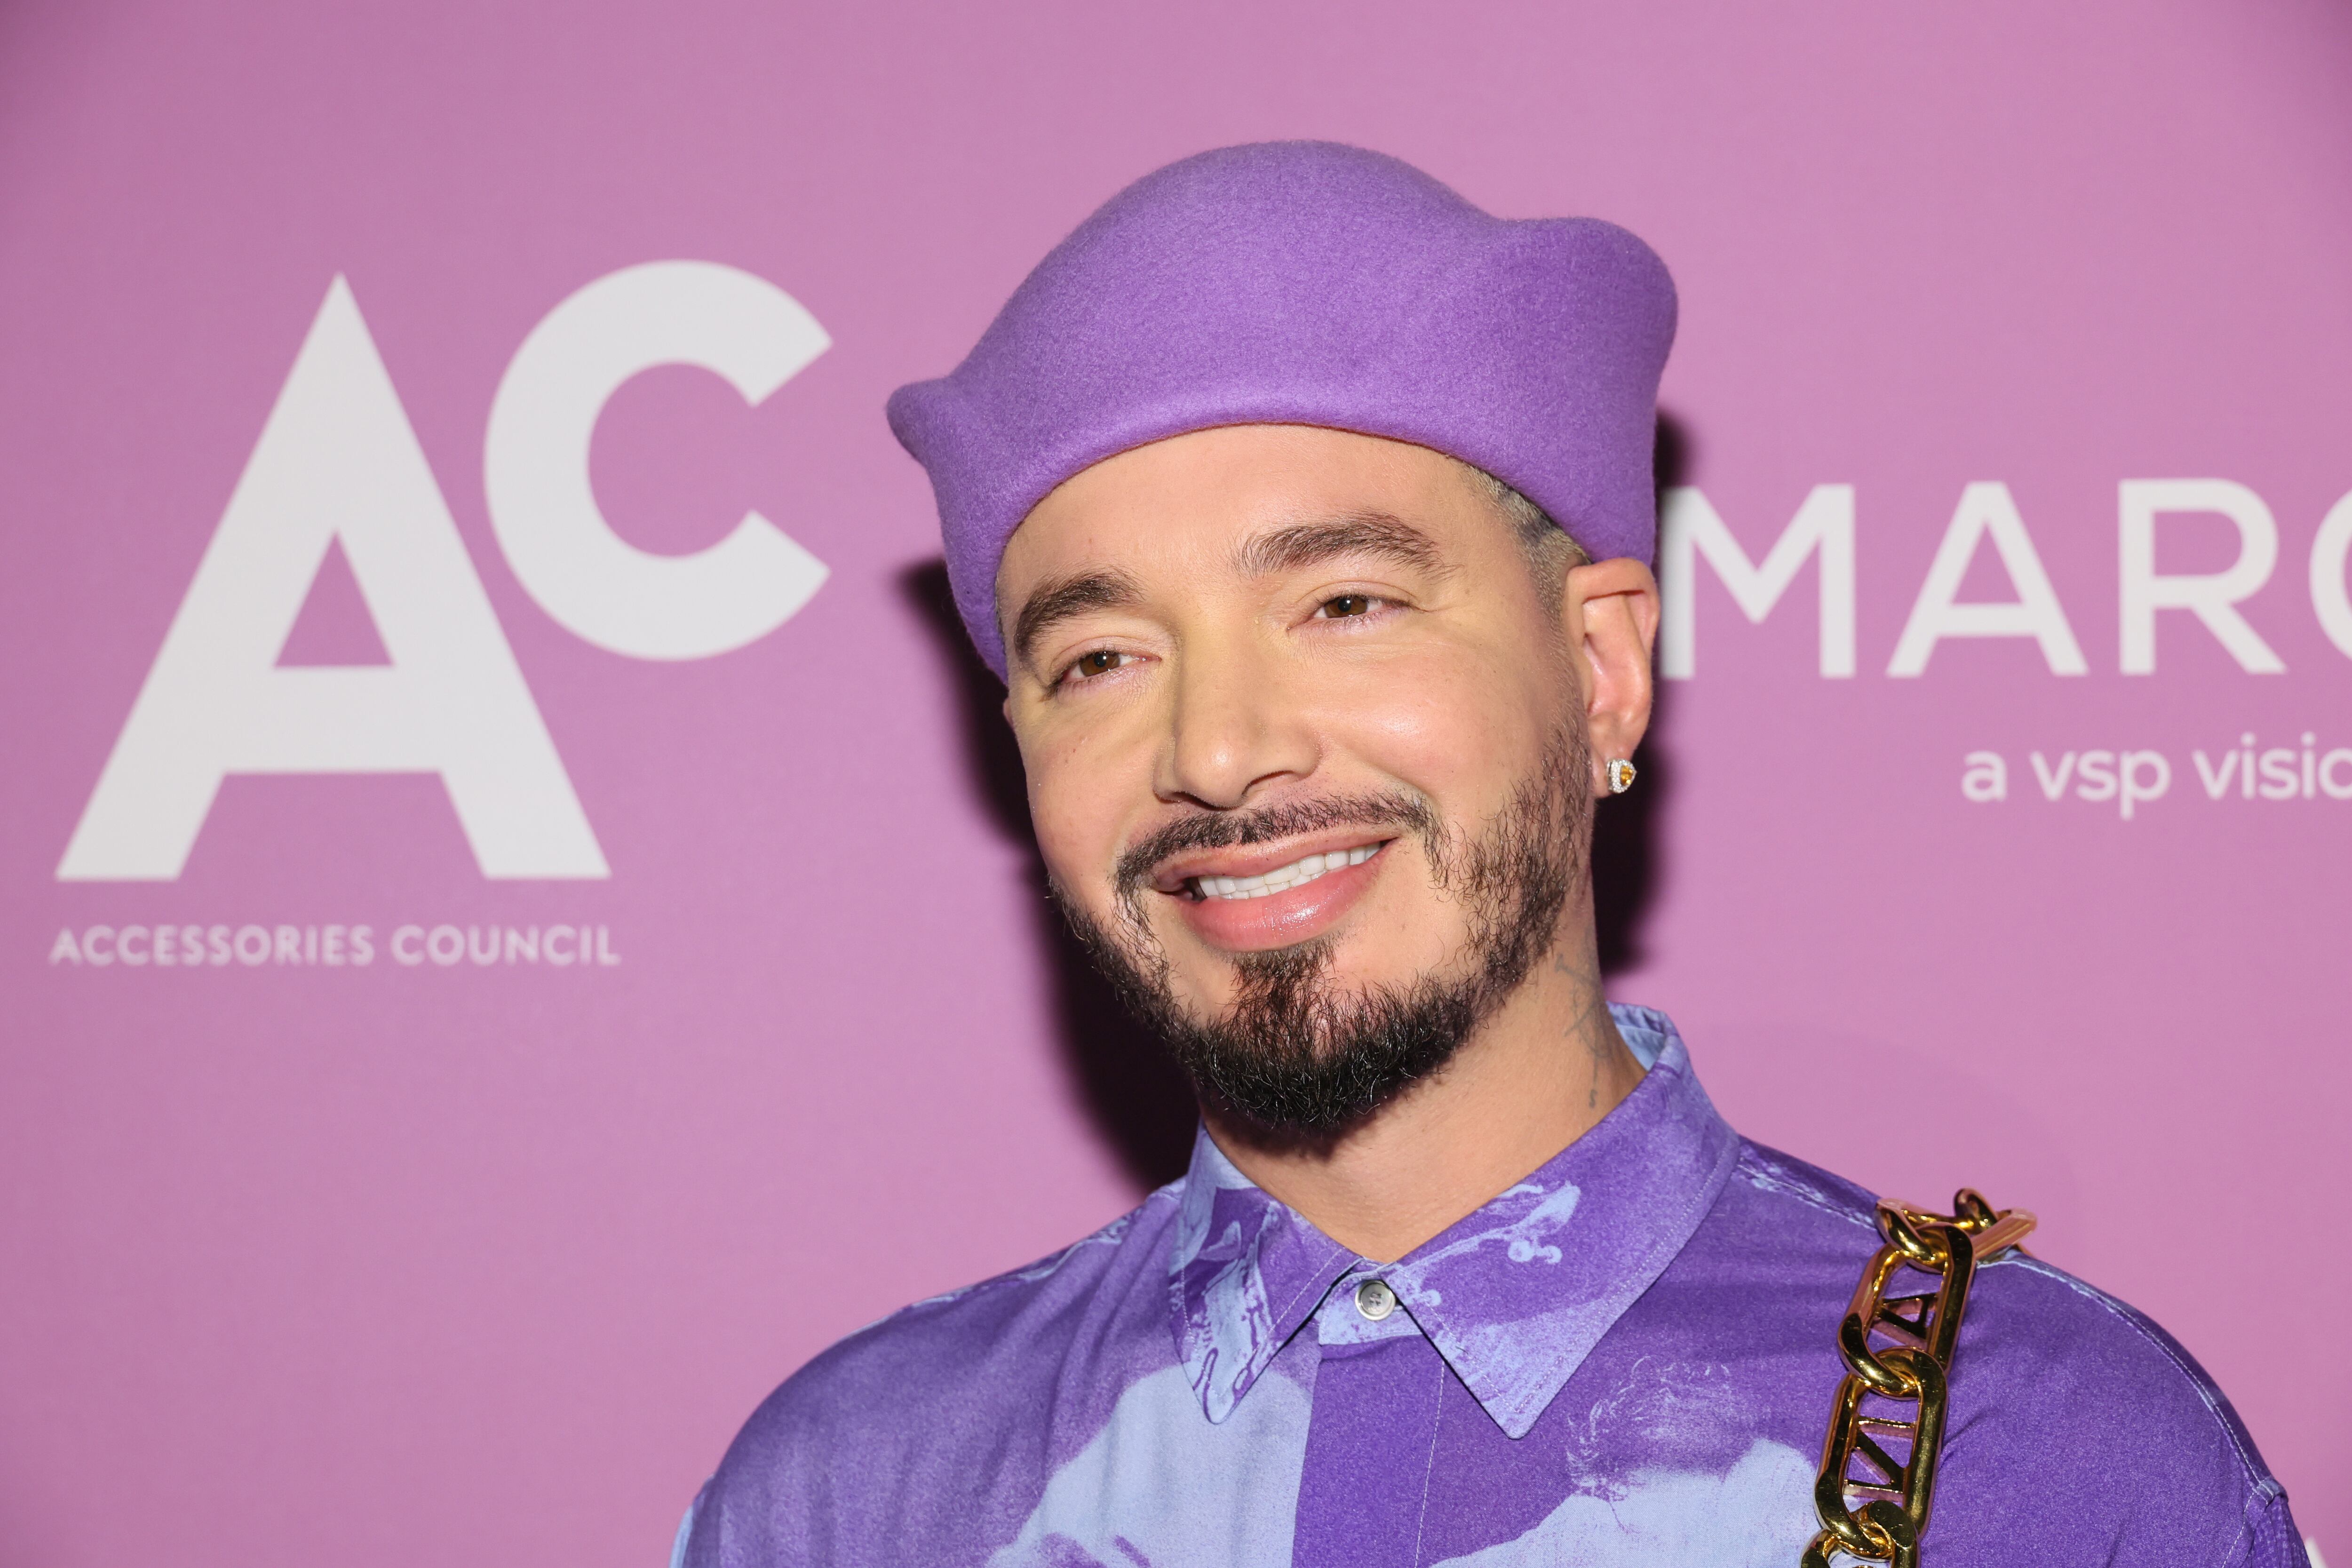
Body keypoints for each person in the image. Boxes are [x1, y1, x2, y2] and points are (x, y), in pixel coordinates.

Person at [675, 142, 2306, 1567]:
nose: (1218, 751)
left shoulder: (2036, 1457)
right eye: (1101, 657)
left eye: (1344, 605)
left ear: (1599, 663)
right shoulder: (853, 1496)